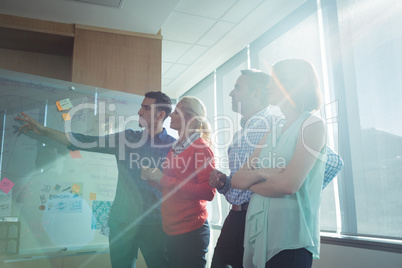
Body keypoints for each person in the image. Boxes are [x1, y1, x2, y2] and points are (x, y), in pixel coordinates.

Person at [16, 91, 175, 268]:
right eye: (141, 106)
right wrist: (44, 130)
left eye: (146, 108)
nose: (139, 112)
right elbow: (85, 141)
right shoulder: (127, 138)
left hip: (154, 225)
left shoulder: (173, 147)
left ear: (161, 114)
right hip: (122, 224)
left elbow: (181, 188)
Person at [209, 69, 344, 268]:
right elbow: (239, 180)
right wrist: (224, 183)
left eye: (238, 87)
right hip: (236, 218)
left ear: (256, 93)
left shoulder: (281, 123)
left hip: (268, 218)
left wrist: (294, 189)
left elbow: (332, 163)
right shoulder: (241, 133)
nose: (231, 93)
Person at [231, 59, 327, 267]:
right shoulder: (272, 131)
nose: (267, 86)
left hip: (290, 242)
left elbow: (288, 185)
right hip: (259, 237)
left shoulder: (312, 125)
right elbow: (237, 180)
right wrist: (265, 173)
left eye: (273, 80)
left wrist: (253, 182)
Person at [141, 96, 216, 268]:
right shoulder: (176, 148)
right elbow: (170, 185)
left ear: (189, 119)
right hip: (171, 229)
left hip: (191, 232)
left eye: (176, 112)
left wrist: (163, 178)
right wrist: (154, 178)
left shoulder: (201, 148)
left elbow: (208, 192)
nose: (171, 116)